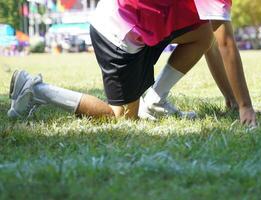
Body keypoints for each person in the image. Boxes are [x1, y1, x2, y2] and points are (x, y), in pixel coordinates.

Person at [7, 0, 215, 120]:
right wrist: (243, 105)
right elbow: (226, 42)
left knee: (203, 33)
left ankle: (156, 101)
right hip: (119, 33)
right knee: (120, 116)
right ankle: (36, 89)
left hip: (139, 25)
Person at [140, 0, 257, 126]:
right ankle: (152, 99)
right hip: (130, 30)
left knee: (205, 31)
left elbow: (211, 41)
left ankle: (153, 99)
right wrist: (246, 107)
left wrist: (234, 101)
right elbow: (226, 44)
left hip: (130, 24)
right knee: (206, 32)